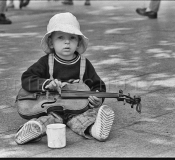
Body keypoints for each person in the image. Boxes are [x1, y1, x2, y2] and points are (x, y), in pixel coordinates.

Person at [14, 12, 115, 145]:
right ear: (51, 42)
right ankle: (33, 129)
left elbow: (97, 84)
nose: (67, 42)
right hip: (52, 109)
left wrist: (97, 98)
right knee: (49, 120)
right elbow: (27, 78)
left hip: (76, 109)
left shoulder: (84, 64)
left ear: (78, 42)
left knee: (87, 117)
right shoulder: (46, 62)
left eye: (72, 37)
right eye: (60, 37)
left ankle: (96, 129)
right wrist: (46, 83)